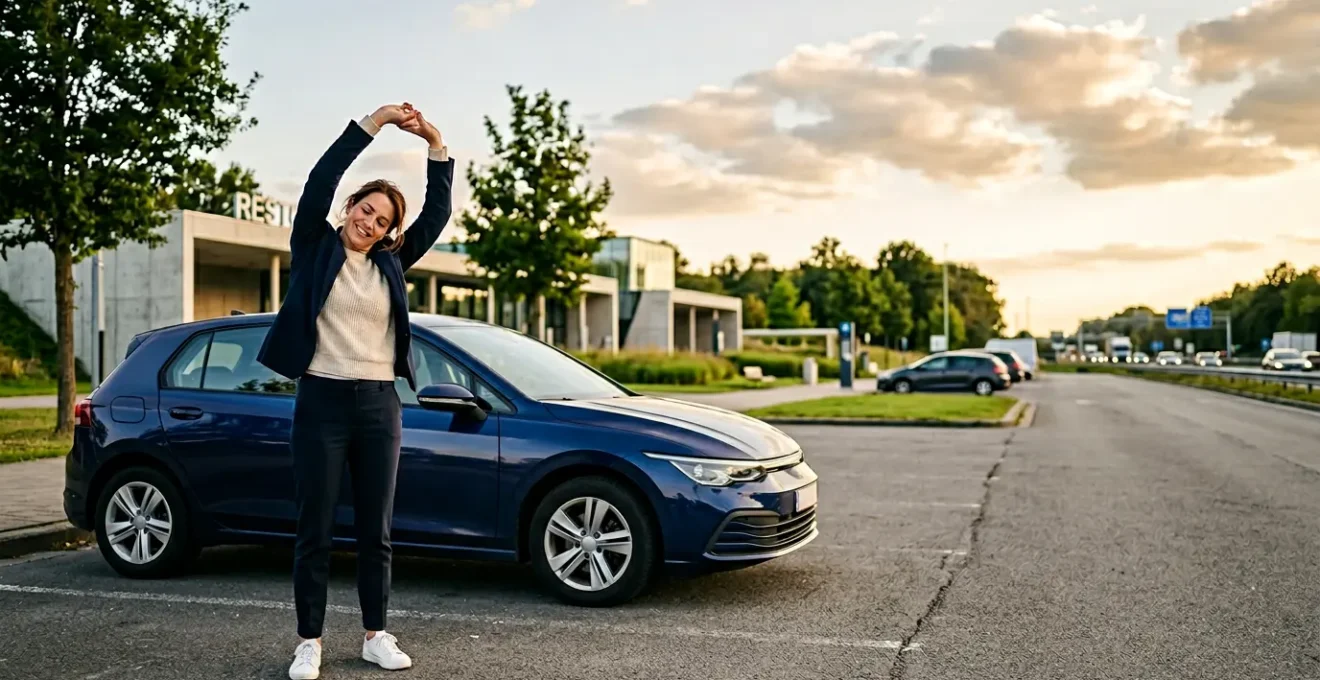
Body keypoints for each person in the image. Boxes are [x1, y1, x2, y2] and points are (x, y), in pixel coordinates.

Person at [256, 102, 453, 680]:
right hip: (321, 401)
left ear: (390, 232)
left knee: (377, 530)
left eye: (382, 220)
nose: (369, 222)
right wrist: (375, 124)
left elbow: (437, 213)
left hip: (377, 406)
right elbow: (320, 180)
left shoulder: (392, 264)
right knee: (314, 527)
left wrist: (435, 144)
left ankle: (375, 634)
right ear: (350, 208)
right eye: (365, 209)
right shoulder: (315, 248)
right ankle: (309, 642)